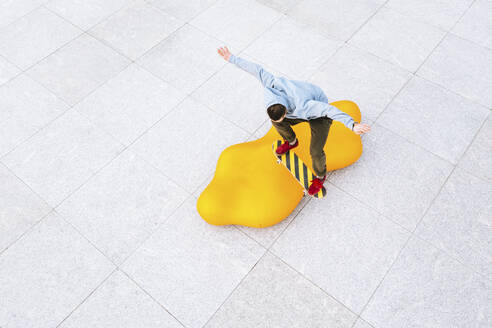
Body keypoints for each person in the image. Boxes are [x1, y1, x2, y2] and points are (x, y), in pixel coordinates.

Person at [217, 46, 371, 196]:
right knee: (277, 122)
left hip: (319, 114)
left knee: (315, 151)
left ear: (286, 110)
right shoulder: (271, 84)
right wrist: (231, 58)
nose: (282, 119)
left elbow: (329, 110)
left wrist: (351, 124)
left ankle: (320, 176)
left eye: (284, 116)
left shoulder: (306, 106)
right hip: (295, 108)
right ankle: (291, 142)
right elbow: (256, 69)